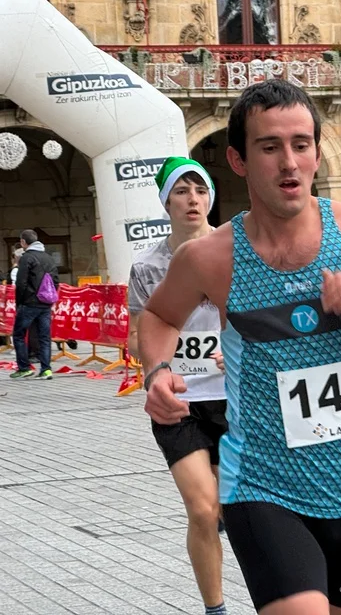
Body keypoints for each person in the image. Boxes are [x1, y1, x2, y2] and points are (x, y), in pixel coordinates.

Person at [137, 80, 341, 615]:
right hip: (262, 489)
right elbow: (157, 316)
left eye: (301, 144)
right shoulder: (211, 257)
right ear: (239, 161)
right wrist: (157, 372)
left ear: (316, 151)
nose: (289, 162)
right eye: (270, 147)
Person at [126, 156, 231, 615]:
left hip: (236, 398)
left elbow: (259, 318)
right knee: (203, 510)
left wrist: (238, 347)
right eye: (182, 191)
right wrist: (160, 367)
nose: (193, 200)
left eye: (201, 190)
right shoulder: (148, 267)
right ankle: (215, 610)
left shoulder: (235, 250)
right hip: (178, 402)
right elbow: (136, 336)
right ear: (166, 202)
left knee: (233, 507)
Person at [11, 229, 59, 380]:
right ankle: (46, 369)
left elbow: (21, 282)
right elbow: (55, 280)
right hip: (45, 303)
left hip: (29, 303)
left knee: (19, 335)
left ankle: (24, 368)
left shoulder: (27, 257)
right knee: (44, 337)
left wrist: (19, 302)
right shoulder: (48, 257)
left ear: (23, 242)